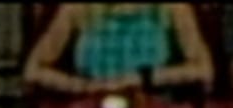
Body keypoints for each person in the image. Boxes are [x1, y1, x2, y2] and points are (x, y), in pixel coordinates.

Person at [21, 3, 215, 96]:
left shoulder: (173, 9)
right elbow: (33, 70)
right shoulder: (77, 9)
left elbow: (204, 70)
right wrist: (81, 86)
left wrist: (146, 78)